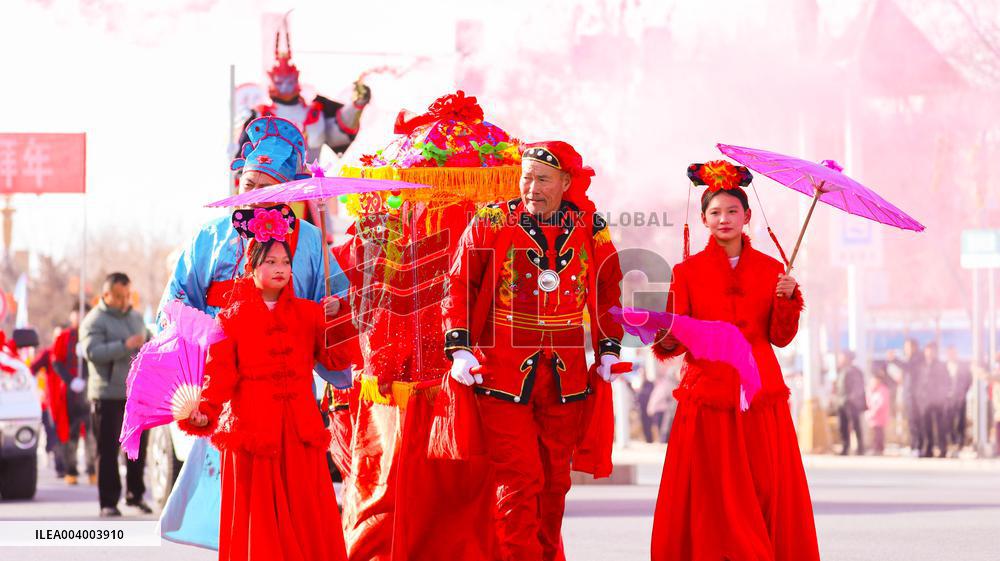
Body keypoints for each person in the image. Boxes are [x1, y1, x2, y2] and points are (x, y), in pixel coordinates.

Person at [158, 115, 348, 548]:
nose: (257, 196)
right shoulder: (210, 237)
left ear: (289, 194)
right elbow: (174, 306)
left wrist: (332, 315)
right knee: (242, 510)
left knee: (301, 510)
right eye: (249, 185)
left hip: (294, 394)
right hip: (229, 391)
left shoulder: (312, 243)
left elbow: (339, 319)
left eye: (270, 188)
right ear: (237, 183)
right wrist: (209, 339)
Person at [443, 141, 624, 561]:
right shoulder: (492, 219)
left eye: (543, 179)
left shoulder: (589, 225)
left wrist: (608, 348)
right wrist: (459, 346)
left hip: (566, 376)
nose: (532, 186)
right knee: (520, 478)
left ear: (565, 182)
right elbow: (460, 282)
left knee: (556, 481)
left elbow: (606, 287)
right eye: (526, 177)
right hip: (504, 372)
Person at [651, 160, 819, 561]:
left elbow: (780, 338)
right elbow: (674, 343)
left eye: (731, 211)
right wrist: (666, 325)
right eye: (715, 212)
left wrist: (786, 299)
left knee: (763, 483)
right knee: (710, 490)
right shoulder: (686, 271)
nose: (723, 219)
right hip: (707, 394)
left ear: (747, 216)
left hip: (759, 395)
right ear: (703, 220)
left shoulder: (773, 270)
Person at [179, 216, 352, 561]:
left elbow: (336, 361)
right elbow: (220, 375)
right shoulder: (230, 318)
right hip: (253, 432)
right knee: (258, 522)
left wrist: (337, 317)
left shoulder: (309, 313)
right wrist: (206, 411)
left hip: (300, 430)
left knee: (307, 514)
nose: (281, 268)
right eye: (271, 261)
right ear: (252, 266)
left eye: (286, 261)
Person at [81, 273, 151, 517]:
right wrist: (125, 345)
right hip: (107, 395)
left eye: (127, 296)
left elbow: (148, 343)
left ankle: (136, 495)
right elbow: (92, 352)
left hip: (137, 394)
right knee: (108, 450)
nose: (124, 301)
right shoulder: (94, 320)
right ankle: (108, 502)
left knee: (137, 449)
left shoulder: (135, 317)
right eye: (119, 297)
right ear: (106, 294)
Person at [53, 307, 96, 485]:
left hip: (89, 390)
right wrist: (70, 380)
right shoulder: (64, 337)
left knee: (92, 434)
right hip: (71, 392)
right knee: (71, 434)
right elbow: (56, 362)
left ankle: (92, 469)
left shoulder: (93, 334)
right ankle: (71, 470)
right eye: (78, 313)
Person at [918, 342, 950, 458]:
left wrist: (944, 396)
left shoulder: (941, 365)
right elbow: (919, 382)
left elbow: (946, 381)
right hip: (925, 400)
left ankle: (943, 449)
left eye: (932, 351)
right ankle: (928, 448)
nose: (930, 353)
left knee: (940, 425)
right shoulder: (922, 365)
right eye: (928, 350)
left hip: (938, 400)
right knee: (926, 426)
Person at [833, 349, 867, 455]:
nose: (840, 359)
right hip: (841, 402)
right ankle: (845, 447)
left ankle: (860, 448)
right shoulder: (841, 370)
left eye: (842, 356)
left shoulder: (854, 371)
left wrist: (851, 398)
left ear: (848, 358)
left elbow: (858, 388)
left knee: (856, 425)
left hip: (852, 403)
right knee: (842, 426)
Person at [944, 346, 971, 453]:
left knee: (960, 420)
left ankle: (960, 442)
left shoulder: (963, 366)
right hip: (946, 398)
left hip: (960, 397)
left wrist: (963, 392)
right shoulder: (944, 366)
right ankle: (951, 441)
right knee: (948, 421)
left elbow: (968, 380)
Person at [867, 363, 892, 456]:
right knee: (874, 433)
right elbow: (869, 400)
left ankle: (879, 448)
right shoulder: (872, 390)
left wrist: (874, 411)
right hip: (873, 416)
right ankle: (876, 447)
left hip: (880, 416)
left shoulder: (883, 390)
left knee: (879, 433)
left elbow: (882, 403)